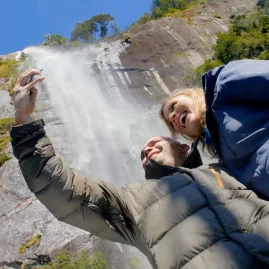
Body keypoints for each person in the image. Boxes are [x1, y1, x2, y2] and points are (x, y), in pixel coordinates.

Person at [10, 69, 269, 269]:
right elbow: (61, 189)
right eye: (143, 155)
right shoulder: (129, 202)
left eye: (155, 142)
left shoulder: (227, 168)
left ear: (183, 147)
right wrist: (23, 120)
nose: (147, 151)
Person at [159, 59, 269, 199]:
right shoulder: (224, 161)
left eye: (173, 106)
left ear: (191, 95)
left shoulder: (226, 82)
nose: (173, 116)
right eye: (171, 123)